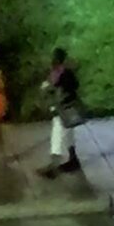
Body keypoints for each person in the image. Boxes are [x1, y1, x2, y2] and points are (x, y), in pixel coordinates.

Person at [40, 47, 83, 176]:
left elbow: (53, 87)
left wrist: (47, 87)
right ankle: (73, 159)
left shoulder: (59, 72)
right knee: (68, 133)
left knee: (57, 134)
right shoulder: (66, 71)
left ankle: (54, 165)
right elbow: (75, 85)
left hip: (62, 107)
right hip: (68, 107)